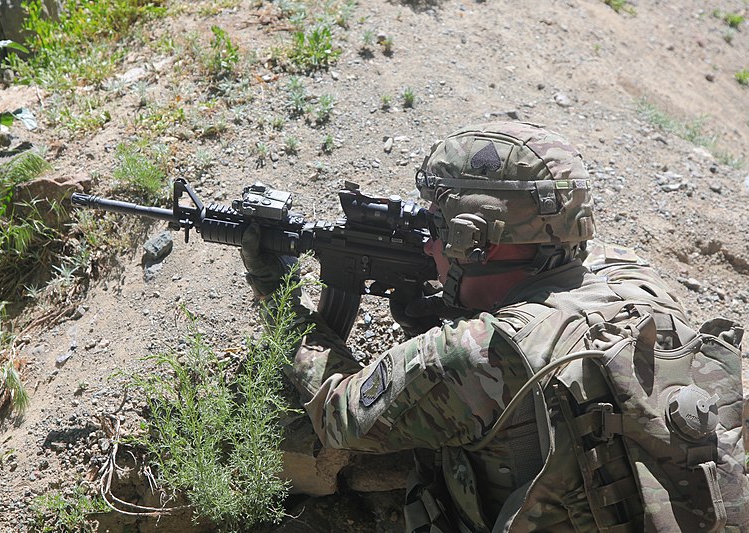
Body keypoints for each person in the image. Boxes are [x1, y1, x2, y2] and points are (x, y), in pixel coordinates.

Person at [240, 122, 749, 532]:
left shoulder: (480, 353)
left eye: (437, 228)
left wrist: (274, 289)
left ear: (479, 242)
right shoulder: (634, 274)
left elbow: (339, 413)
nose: (426, 246)